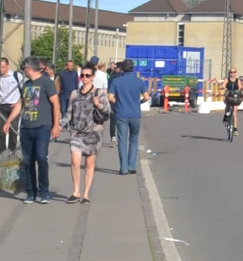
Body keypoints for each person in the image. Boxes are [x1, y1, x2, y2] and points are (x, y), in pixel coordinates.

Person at [9, 62, 59, 203]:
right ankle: (31, 192)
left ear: (29, 69)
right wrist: (9, 120)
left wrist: (56, 125)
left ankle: (44, 192)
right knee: (28, 161)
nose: (23, 71)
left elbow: (56, 104)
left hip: (42, 126)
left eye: (24, 69)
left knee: (41, 157)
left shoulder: (46, 83)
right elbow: (21, 104)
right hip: (26, 127)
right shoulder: (26, 84)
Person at [60, 69, 107, 203]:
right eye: (82, 75)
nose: (84, 77)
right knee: (75, 161)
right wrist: (59, 126)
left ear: (92, 77)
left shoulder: (98, 93)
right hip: (77, 132)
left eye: (88, 75)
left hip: (93, 133)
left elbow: (108, 111)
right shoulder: (74, 94)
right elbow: (69, 113)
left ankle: (86, 194)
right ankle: (76, 191)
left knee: (89, 164)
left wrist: (98, 104)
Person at [109, 60, 146, 173]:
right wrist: (139, 102)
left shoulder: (116, 81)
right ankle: (132, 166)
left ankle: (123, 168)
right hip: (135, 114)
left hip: (121, 113)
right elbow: (147, 97)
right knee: (134, 140)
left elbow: (110, 98)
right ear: (132, 68)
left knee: (122, 140)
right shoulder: (139, 82)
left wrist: (118, 102)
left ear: (122, 68)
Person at [0, 58, 21, 153]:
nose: (1, 69)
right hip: (2, 107)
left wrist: (19, 102)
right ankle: (1, 155)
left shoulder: (17, 76)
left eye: (3, 67)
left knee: (13, 132)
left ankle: (11, 153)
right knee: (1, 133)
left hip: (14, 107)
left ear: (8, 66)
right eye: (0, 67)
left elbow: (24, 90)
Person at [224, 72, 243, 140]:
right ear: (229, 73)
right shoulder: (227, 80)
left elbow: (240, 86)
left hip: (235, 96)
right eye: (231, 72)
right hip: (228, 95)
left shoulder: (237, 80)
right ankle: (226, 116)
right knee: (227, 104)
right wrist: (223, 87)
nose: (232, 73)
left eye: (234, 72)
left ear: (236, 73)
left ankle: (235, 129)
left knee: (235, 112)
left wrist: (241, 88)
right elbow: (224, 85)